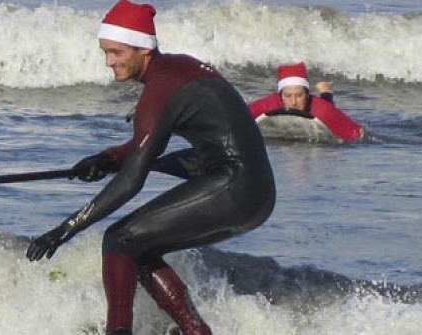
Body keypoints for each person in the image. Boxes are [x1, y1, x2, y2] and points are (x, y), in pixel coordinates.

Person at [25, 1, 276, 334]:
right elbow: (145, 146)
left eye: (115, 52)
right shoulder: (177, 70)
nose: (108, 62)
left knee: (120, 239)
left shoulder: (161, 89)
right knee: (139, 244)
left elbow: (132, 181)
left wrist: (65, 229)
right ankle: (195, 331)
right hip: (252, 190)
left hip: (235, 186)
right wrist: (107, 158)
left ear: (142, 49)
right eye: (105, 52)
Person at [247, 62, 364, 142]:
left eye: (299, 95)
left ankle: (325, 91)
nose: (293, 102)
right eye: (287, 96)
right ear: (280, 95)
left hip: (321, 109)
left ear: (307, 95)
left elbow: (358, 136)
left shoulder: (323, 110)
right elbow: (236, 121)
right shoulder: (268, 105)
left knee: (327, 105)